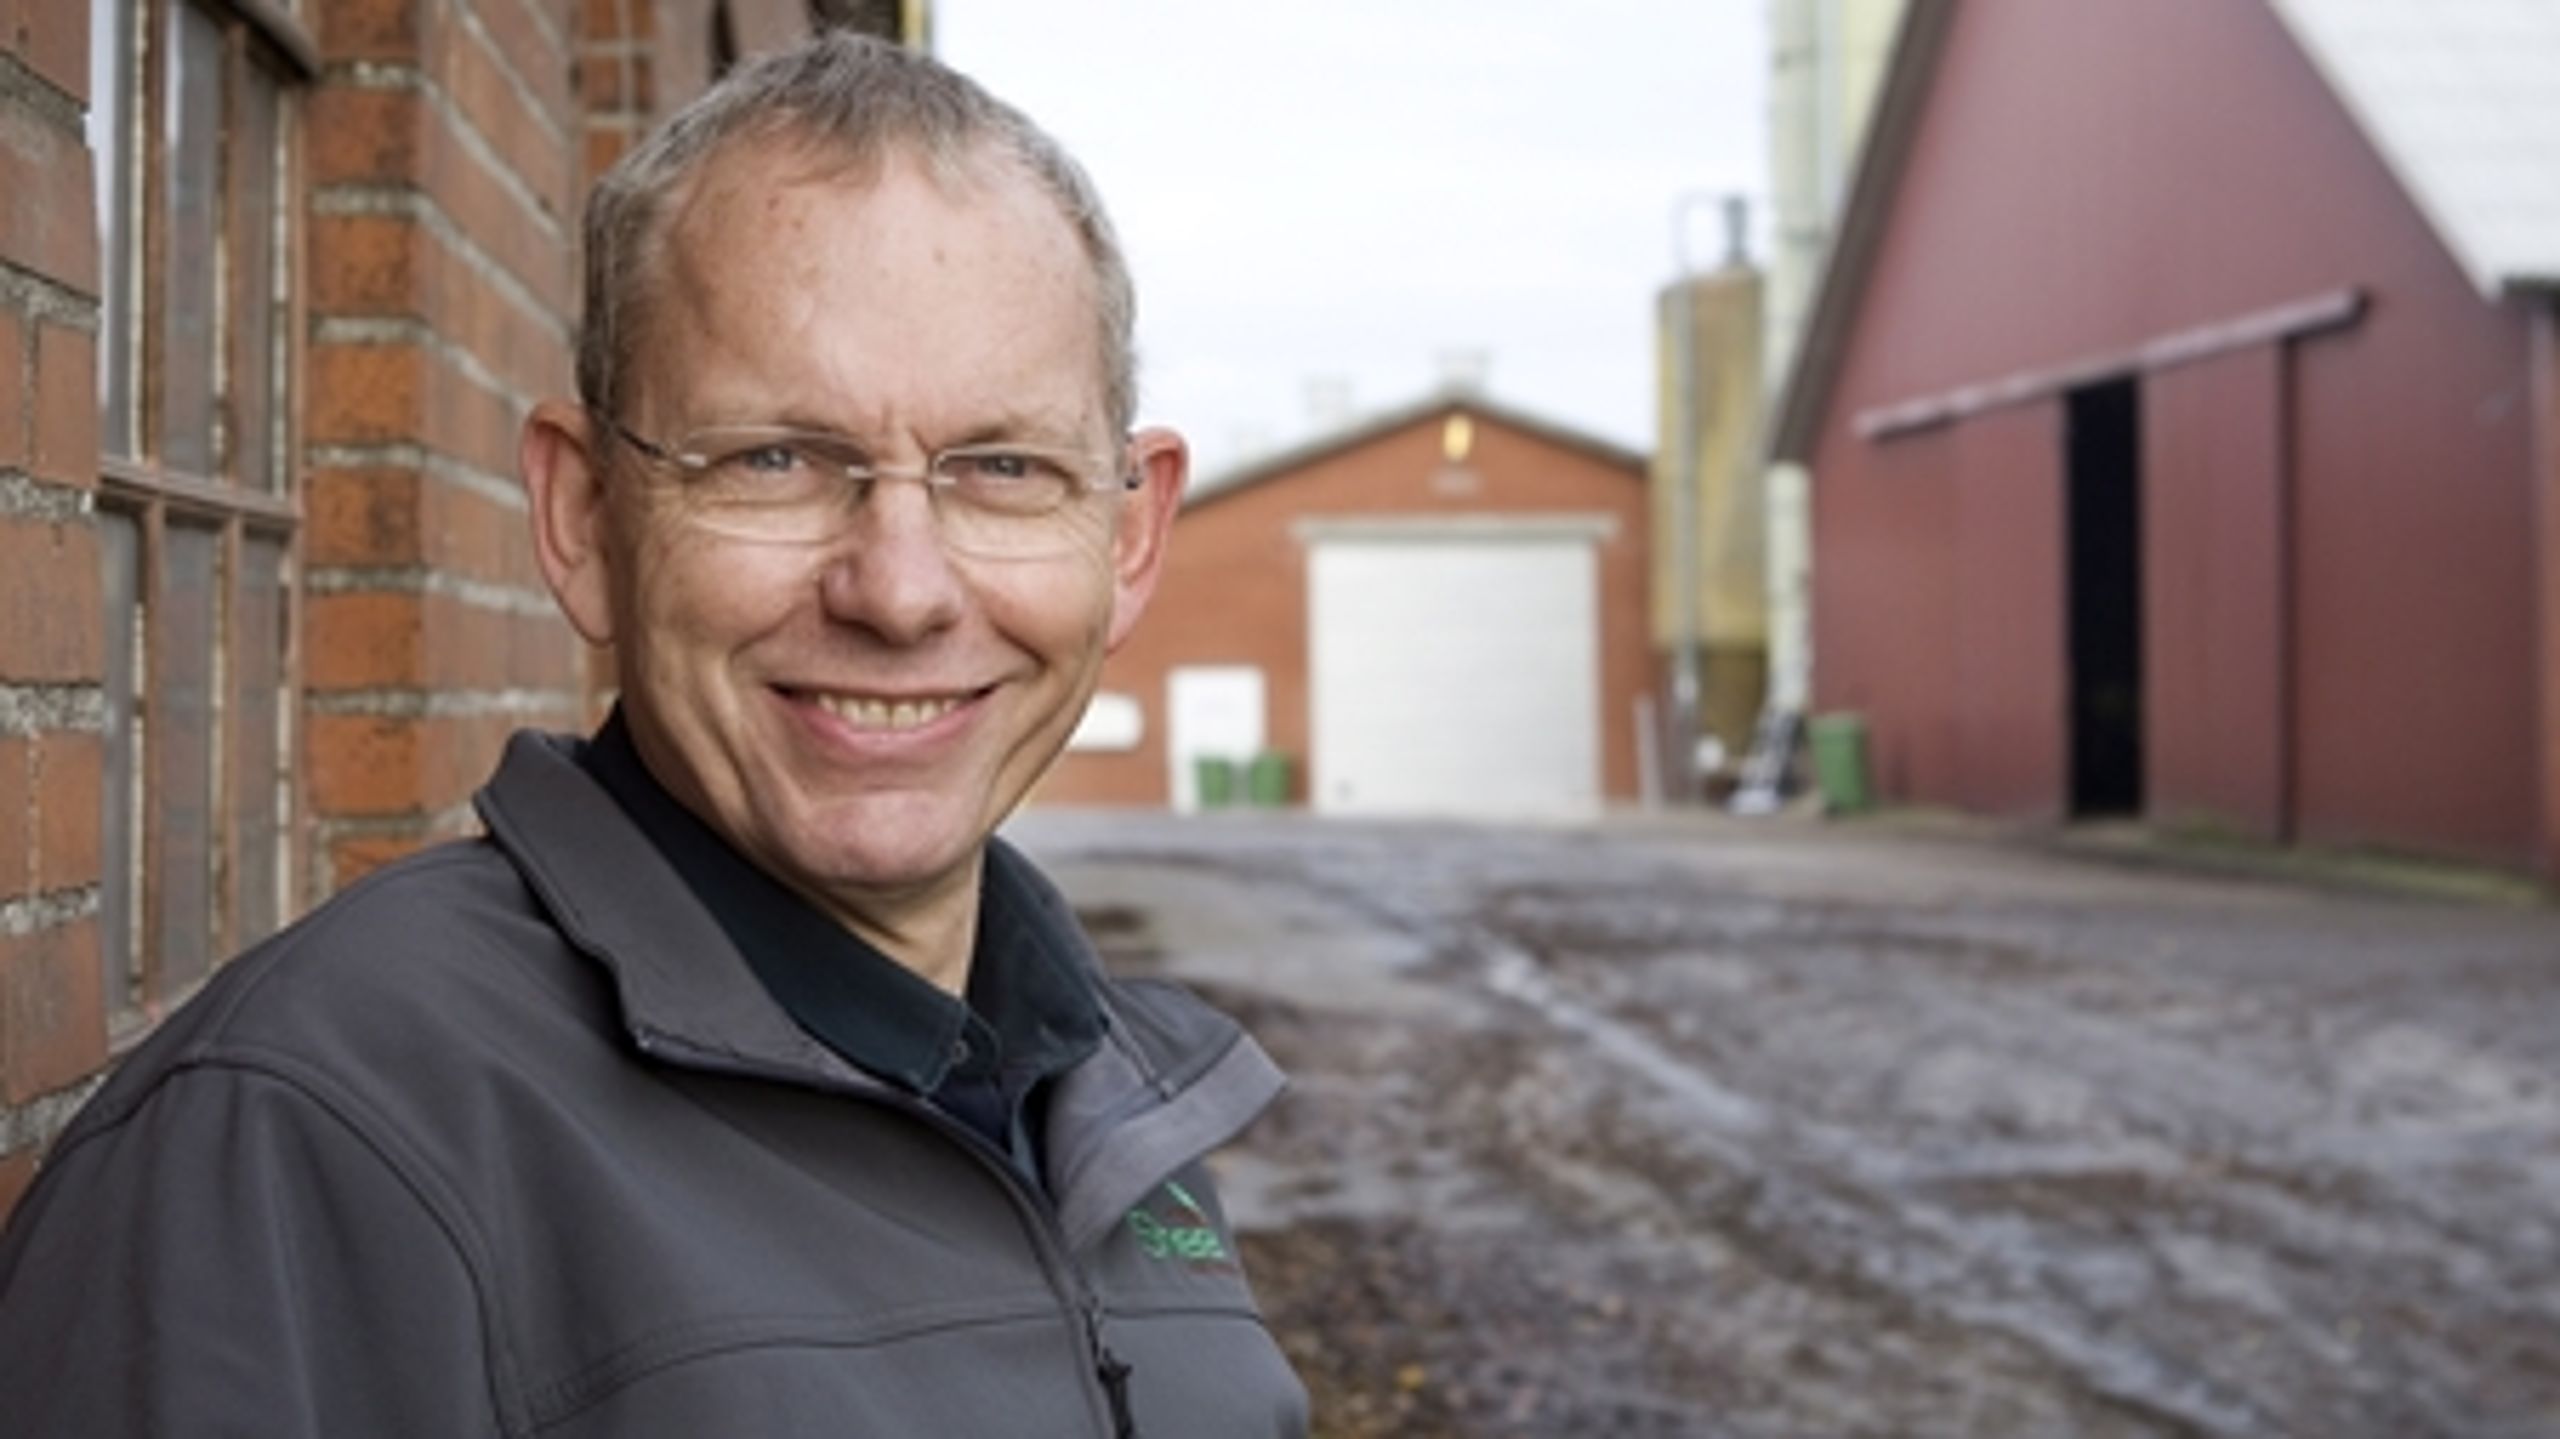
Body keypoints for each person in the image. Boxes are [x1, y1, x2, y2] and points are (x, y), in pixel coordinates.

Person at [0, 32, 1307, 1437]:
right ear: (581, 520)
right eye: (774, 460)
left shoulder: (1103, 1098)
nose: (902, 588)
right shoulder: (301, 1149)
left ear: (1127, 533)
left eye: (1001, 468)